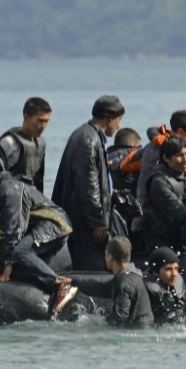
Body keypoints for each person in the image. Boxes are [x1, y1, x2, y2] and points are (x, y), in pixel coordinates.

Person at [0, 155, 77, 314]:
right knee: (24, 268)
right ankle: (55, 297)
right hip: (44, 226)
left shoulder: (8, 190)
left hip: (53, 224)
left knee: (20, 252)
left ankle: (60, 285)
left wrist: (8, 264)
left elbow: (14, 228)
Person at [52, 95, 125, 271]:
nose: (119, 126)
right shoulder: (88, 140)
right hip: (85, 225)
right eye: (119, 120)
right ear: (109, 118)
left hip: (83, 220)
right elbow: (87, 185)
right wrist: (97, 221)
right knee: (93, 269)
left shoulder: (88, 135)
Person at [147, 136, 186, 252]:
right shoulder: (159, 181)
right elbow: (177, 212)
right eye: (180, 155)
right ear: (166, 158)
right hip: (167, 243)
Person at [136, 110, 186, 206]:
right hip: (155, 207)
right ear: (180, 132)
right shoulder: (166, 150)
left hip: (144, 203)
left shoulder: (153, 144)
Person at [0, 97, 51, 192]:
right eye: (40, 121)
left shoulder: (41, 143)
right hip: (11, 198)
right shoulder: (9, 142)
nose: (43, 126)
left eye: (46, 121)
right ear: (26, 117)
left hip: (34, 199)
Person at [105, 237, 153, 328]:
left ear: (110, 257)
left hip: (136, 335)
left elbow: (119, 318)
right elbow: (102, 286)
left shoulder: (124, 281)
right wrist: (74, 282)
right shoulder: (134, 274)